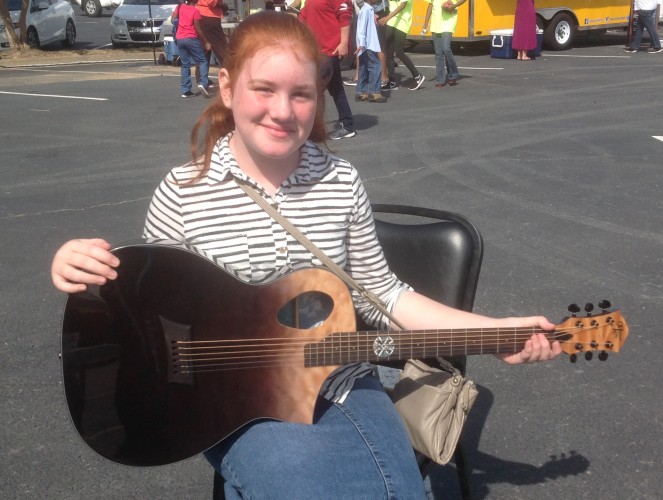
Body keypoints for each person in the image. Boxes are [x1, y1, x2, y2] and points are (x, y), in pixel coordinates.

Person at [51, 11, 561, 498]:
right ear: (228, 88)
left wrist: (492, 333)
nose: (282, 110)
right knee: (302, 482)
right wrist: (78, 268)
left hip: (339, 382)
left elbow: (383, 295)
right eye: (263, 89)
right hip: (231, 400)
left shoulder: (339, 182)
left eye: (301, 94)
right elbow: (150, 305)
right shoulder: (185, 190)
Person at [300, 0, 357, 139]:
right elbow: (304, 16)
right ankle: (347, 124)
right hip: (317, 49)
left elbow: (345, 17)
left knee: (315, 89)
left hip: (331, 49)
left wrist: (343, 44)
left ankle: (313, 130)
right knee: (336, 88)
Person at [378, 0, 426, 90]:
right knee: (389, 53)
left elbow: (402, 5)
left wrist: (387, 17)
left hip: (402, 22)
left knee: (399, 52)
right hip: (392, 22)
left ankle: (417, 76)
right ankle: (392, 82)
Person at [173, 0, 214, 97]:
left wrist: (181, 23)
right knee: (202, 61)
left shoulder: (180, 7)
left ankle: (186, 90)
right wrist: (206, 41)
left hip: (180, 38)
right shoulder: (195, 11)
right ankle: (203, 83)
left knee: (185, 64)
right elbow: (197, 28)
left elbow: (172, 19)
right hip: (191, 38)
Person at [422, 0, 467, 87]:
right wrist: (426, 22)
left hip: (449, 22)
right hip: (436, 23)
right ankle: (440, 79)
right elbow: (430, 5)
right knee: (438, 52)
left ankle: (453, 74)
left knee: (446, 49)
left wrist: (454, 6)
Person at [355, 0, 386, 102]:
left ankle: (361, 91)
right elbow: (361, 28)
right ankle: (374, 92)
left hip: (365, 45)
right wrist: (362, 43)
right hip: (368, 45)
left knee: (363, 66)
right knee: (375, 65)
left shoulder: (368, 10)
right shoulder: (366, 10)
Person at [195, 0, 229, 67]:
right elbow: (212, 2)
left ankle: (201, 77)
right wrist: (223, 6)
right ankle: (230, 74)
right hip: (210, 16)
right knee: (222, 50)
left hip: (201, 14)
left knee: (204, 51)